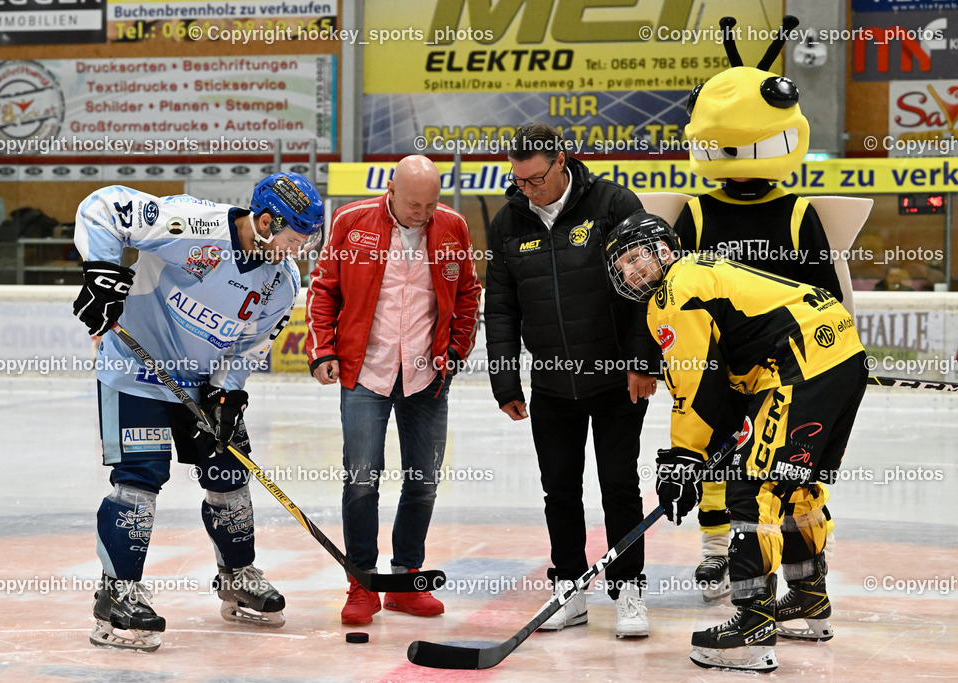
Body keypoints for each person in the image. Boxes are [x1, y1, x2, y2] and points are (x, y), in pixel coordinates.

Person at [72, 172, 324, 652]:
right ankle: (117, 593)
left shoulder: (282, 281)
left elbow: (250, 345)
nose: (298, 252)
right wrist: (102, 277)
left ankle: (237, 575)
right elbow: (103, 207)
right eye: (294, 240)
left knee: (229, 475)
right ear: (266, 222)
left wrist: (227, 394)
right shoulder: (193, 224)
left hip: (202, 385)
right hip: (136, 372)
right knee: (139, 480)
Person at [606, 212, 867, 673]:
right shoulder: (696, 272)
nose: (628, 273)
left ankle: (752, 626)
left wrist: (683, 459)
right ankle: (808, 598)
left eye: (634, 259)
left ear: (663, 251)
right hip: (837, 353)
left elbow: (693, 386)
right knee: (794, 485)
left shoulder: (675, 293)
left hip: (798, 364)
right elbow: (725, 372)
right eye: (621, 266)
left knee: (753, 485)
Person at [674, 15, 845, 602]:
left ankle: (796, 579)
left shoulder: (798, 213)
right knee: (714, 462)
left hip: (787, 371)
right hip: (718, 365)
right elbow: (676, 297)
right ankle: (715, 554)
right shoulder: (697, 213)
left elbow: (829, 299)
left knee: (783, 474)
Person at [483, 123, 659, 637]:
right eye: (519, 181)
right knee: (559, 490)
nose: (528, 190)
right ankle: (568, 588)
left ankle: (628, 588)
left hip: (615, 378)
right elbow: (501, 307)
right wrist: (504, 381)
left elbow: (648, 287)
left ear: (561, 161)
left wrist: (643, 361)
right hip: (552, 384)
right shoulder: (509, 221)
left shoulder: (613, 204)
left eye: (536, 179)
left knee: (620, 487)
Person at [305, 155, 481, 626]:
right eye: (413, 204)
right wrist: (323, 350)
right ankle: (362, 583)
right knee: (362, 479)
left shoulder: (453, 227)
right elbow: (323, 289)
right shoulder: (350, 221)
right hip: (366, 372)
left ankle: (406, 580)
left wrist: (456, 350)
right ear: (390, 189)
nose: (422, 214)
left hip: (428, 374)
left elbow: (469, 293)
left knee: (423, 481)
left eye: (431, 204)